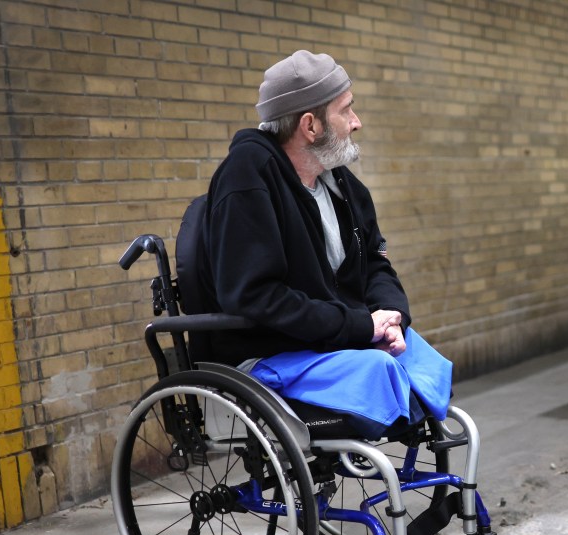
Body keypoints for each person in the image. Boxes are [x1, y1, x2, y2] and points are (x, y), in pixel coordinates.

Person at [185, 50, 451, 437]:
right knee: (380, 370)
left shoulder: (340, 183)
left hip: (331, 343)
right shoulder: (246, 179)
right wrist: (361, 328)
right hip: (267, 355)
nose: (356, 123)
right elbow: (257, 296)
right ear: (310, 126)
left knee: (421, 356)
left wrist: (391, 317)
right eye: (346, 111)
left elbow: (375, 263)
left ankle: (446, 492)